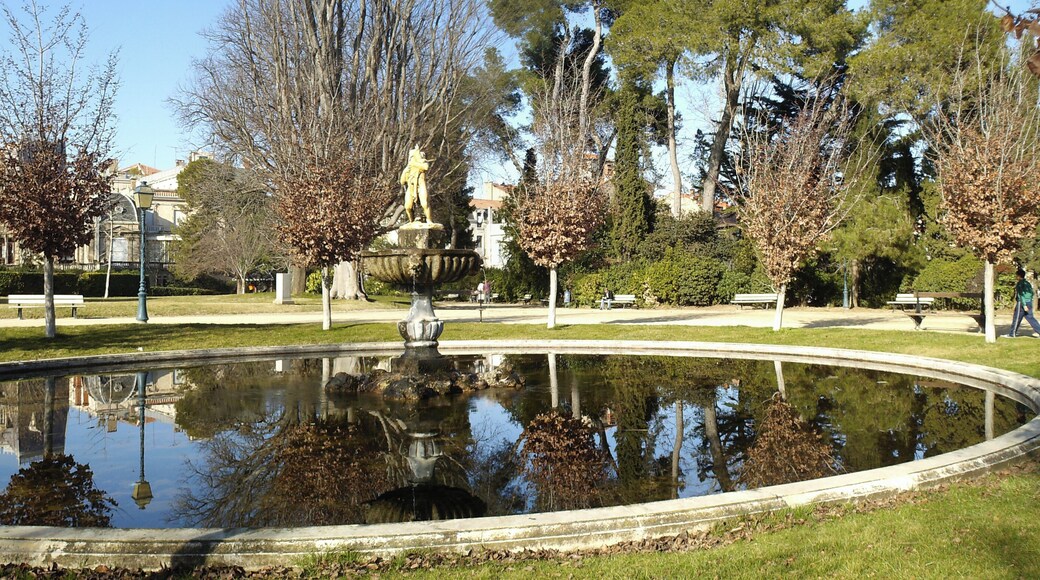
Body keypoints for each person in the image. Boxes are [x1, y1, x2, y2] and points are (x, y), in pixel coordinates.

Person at [1005, 268, 1040, 338]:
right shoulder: (1027, 283)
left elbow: (1021, 294)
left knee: (1017, 318)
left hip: (1021, 303)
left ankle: (1012, 333)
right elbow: (1031, 293)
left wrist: (1024, 305)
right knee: (1030, 318)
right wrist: (1029, 301)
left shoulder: (1020, 284)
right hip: (1029, 302)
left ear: (1019, 276)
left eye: (1016, 276)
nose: (1016, 277)